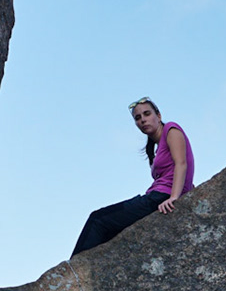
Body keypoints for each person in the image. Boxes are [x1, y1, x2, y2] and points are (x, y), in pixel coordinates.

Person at [71, 97, 195, 256]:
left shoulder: (171, 129)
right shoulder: (156, 148)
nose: (142, 120)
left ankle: (73, 268)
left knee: (98, 219)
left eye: (147, 114)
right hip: (156, 196)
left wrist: (174, 197)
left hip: (159, 197)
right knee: (111, 232)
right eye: (138, 118)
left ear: (158, 116)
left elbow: (182, 163)